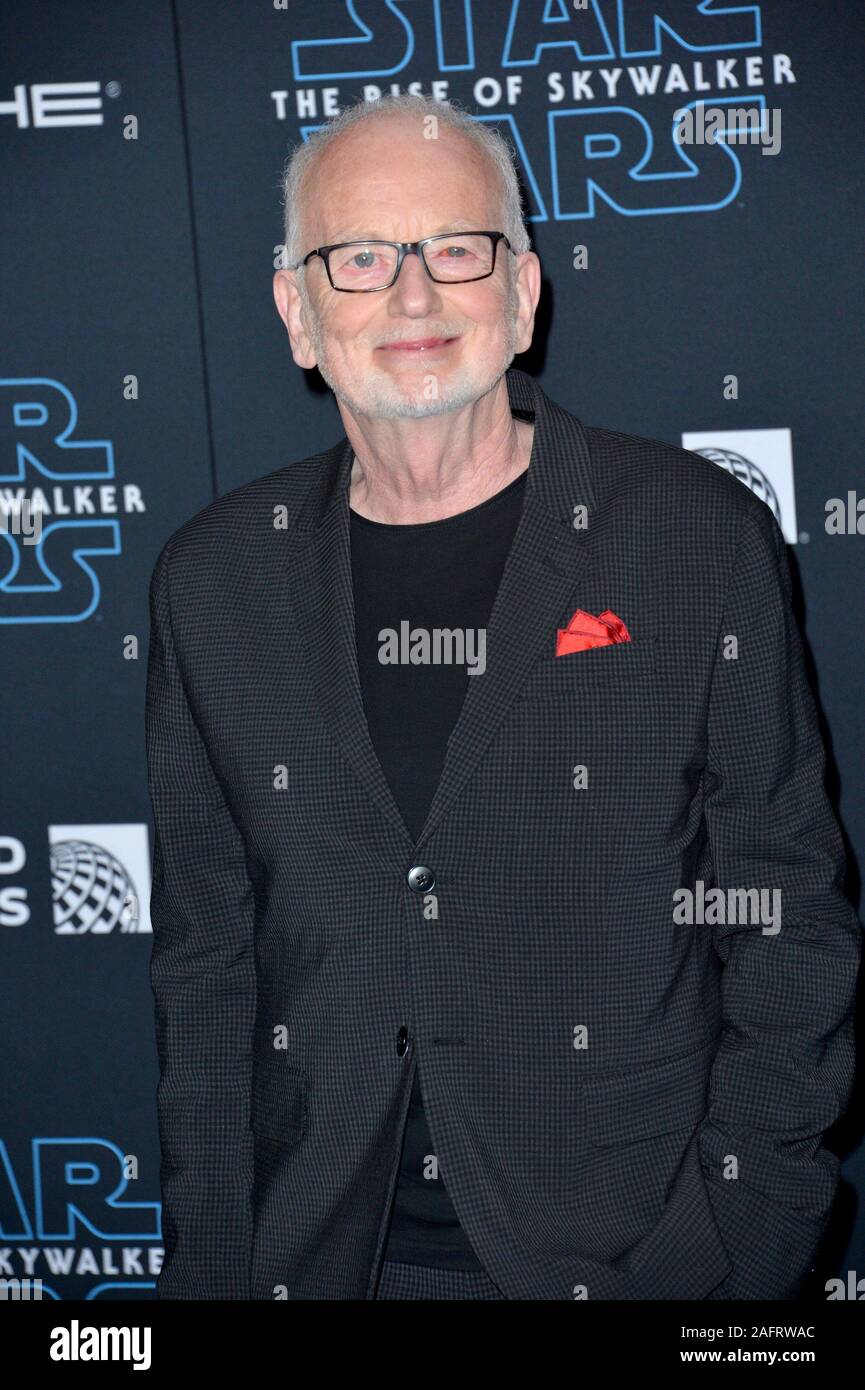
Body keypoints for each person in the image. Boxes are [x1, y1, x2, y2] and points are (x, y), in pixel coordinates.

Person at [145, 93, 860, 1301]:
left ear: (522, 293)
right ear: (297, 315)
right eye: (359, 258)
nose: (412, 296)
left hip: (639, 1262)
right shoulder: (212, 580)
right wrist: (213, 1265)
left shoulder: (693, 539)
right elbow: (207, 963)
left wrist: (732, 1239)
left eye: (455, 250)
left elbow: (786, 914)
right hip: (321, 1261)